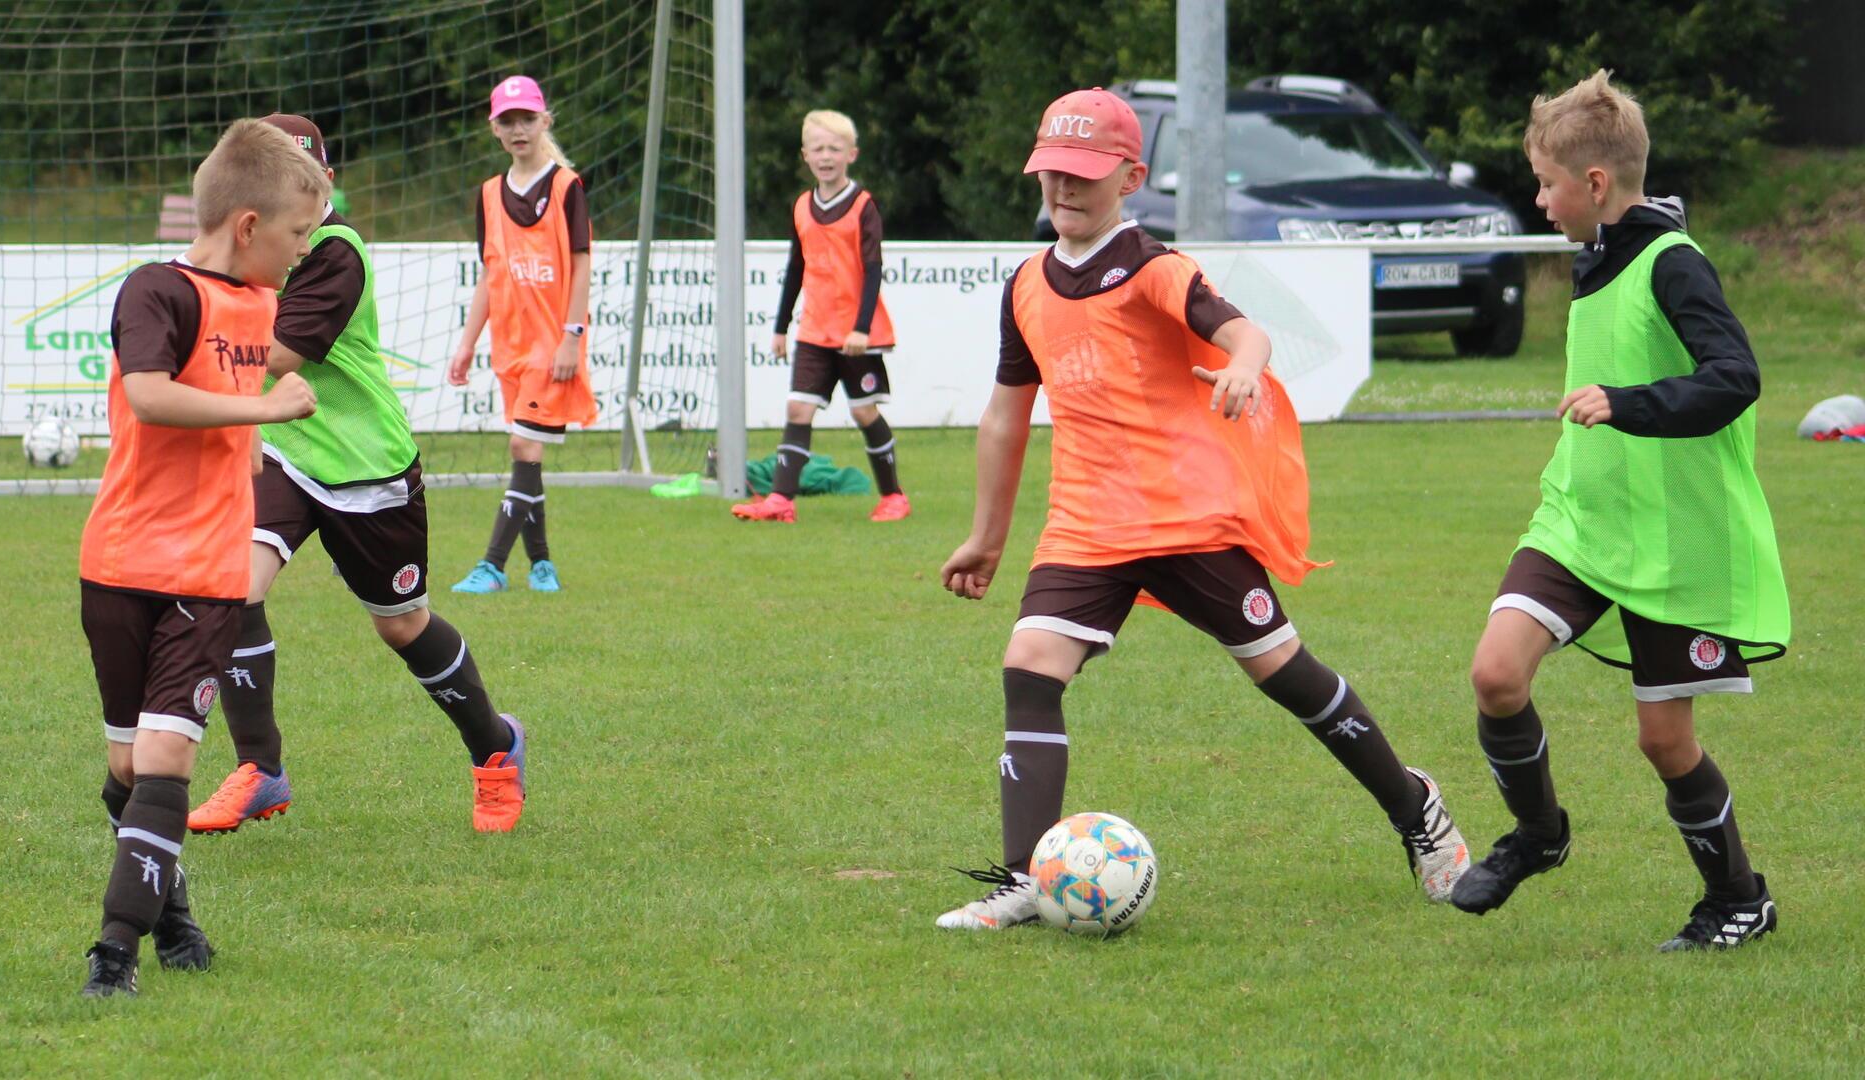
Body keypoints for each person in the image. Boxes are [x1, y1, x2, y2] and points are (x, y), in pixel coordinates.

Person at [934, 89, 1468, 931]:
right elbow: (1007, 414)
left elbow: (1244, 332)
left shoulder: (1153, 267)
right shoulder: (1026, 285)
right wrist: (986, 537)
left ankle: (1417, 810)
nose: (1064, 189)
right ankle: (1024, 881)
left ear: (1131, 177)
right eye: (1052, 173)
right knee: (1029, 669)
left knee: (1287, 677)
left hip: (1187, 519)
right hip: (1088, 524)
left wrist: (1245, 367)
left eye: (1084, 174)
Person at [1450, 71, 1788, 951]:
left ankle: (1737, 900)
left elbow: (1736, 379)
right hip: (1579, 522)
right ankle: (1539, 835)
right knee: (1496, 675)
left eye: (1546, 183)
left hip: (1674, 541)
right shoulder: (1597, 250)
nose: (1538, 197)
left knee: (1664, 740)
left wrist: (1628, 402)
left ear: (1594, 185)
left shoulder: (1672, 262)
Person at [187, 114, 527, 840]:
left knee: (402, 627)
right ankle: (259, 767)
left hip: (365, 467)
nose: (302, 216)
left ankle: (495, 748)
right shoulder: (249, 243)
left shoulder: (335, 252)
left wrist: (169, 370)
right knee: (233, 587)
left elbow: (271, 359)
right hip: (288, 451)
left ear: (325, 184)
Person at [77, 119, 325, 995]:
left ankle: (114, 955)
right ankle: (173, 912)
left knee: (168, 761)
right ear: (249, 225)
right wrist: (264, 417)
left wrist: (249, 449)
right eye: (298, 234)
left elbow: (229, 418)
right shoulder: (157, 291)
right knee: (128, 770)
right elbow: (148, 398)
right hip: (119, 561)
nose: (301, 255)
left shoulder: (265, 308)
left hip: (208, 578)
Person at [449, 74, 596, 592]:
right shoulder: (489, 194)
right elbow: (492, 276)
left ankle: (492, 564)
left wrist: (571, 337)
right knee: (526, 451)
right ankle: (542, 563)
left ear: (544, 122)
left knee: (522, 447)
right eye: (507, 121)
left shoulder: (566, 187)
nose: (518, 129)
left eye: (527, 119)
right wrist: (468, 343)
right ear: (494, 129)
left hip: (551, 347)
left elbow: (581, 265)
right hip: (509, 349)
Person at [732, 109, 909, 523]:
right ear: (804, 156)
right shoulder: (801, 206)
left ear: (852, 154)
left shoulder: (863, 205)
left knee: (864, 411)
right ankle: (781, 501)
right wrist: (780, 327)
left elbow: (873, 268)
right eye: (818, 148)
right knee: (798, 409)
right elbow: (797, 266)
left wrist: (863, 328)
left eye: (834, 148)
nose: (826, 156)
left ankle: (894, 497)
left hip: (855, 334)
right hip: (814, 330)